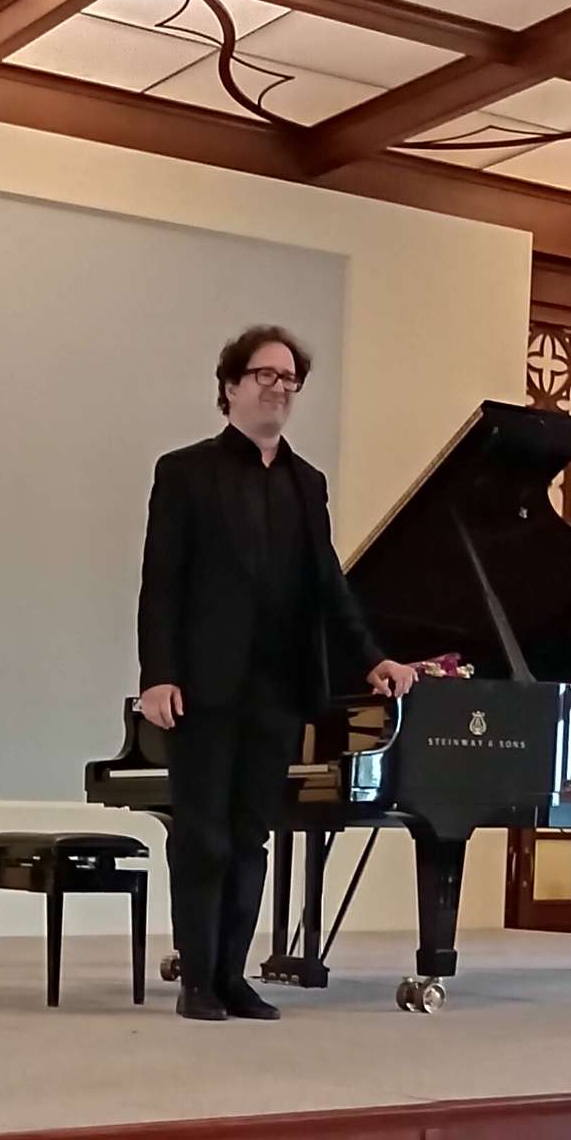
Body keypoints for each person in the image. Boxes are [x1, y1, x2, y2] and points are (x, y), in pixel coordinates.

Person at [136, 325, 416, 1021]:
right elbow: (161, 583)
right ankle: (198, 980)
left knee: (252, 836)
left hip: (278, 690)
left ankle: (232, 976)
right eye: (265, 375)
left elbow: (329, 586)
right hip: (202, 688)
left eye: (290, 379)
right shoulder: (185, 472)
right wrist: (158, 674)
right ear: (230, 386)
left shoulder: (306, 483)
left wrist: (371, 657)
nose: (279, 389)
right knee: (202, 836)